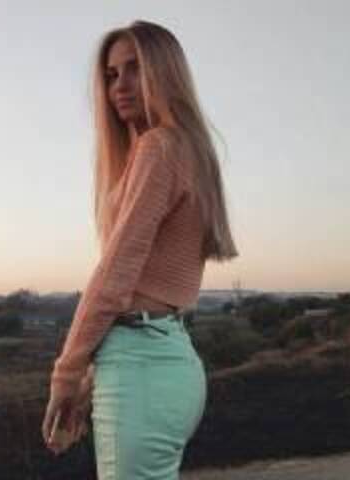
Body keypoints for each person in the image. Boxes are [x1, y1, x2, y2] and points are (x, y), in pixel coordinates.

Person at [41, 19, 239, 479]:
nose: (119, 86)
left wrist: (67, 375)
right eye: (112, 74)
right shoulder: (188, 149)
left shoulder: (159, 148)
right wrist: (97, 378)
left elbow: (117, 273)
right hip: (171, 363)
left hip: (142, 370)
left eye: (135, 69)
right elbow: (144, 288)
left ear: (166, 72)